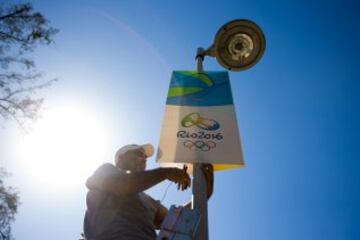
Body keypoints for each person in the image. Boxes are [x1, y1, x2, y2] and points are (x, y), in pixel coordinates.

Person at [83, 143, 213, 240]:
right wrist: (166, 172)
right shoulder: (106, 170)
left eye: (146, 157)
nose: (145, 159)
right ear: (121, 158)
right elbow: (122, 185)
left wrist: (202, 195)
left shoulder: (148, 200)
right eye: (139, 154)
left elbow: (176, 222)